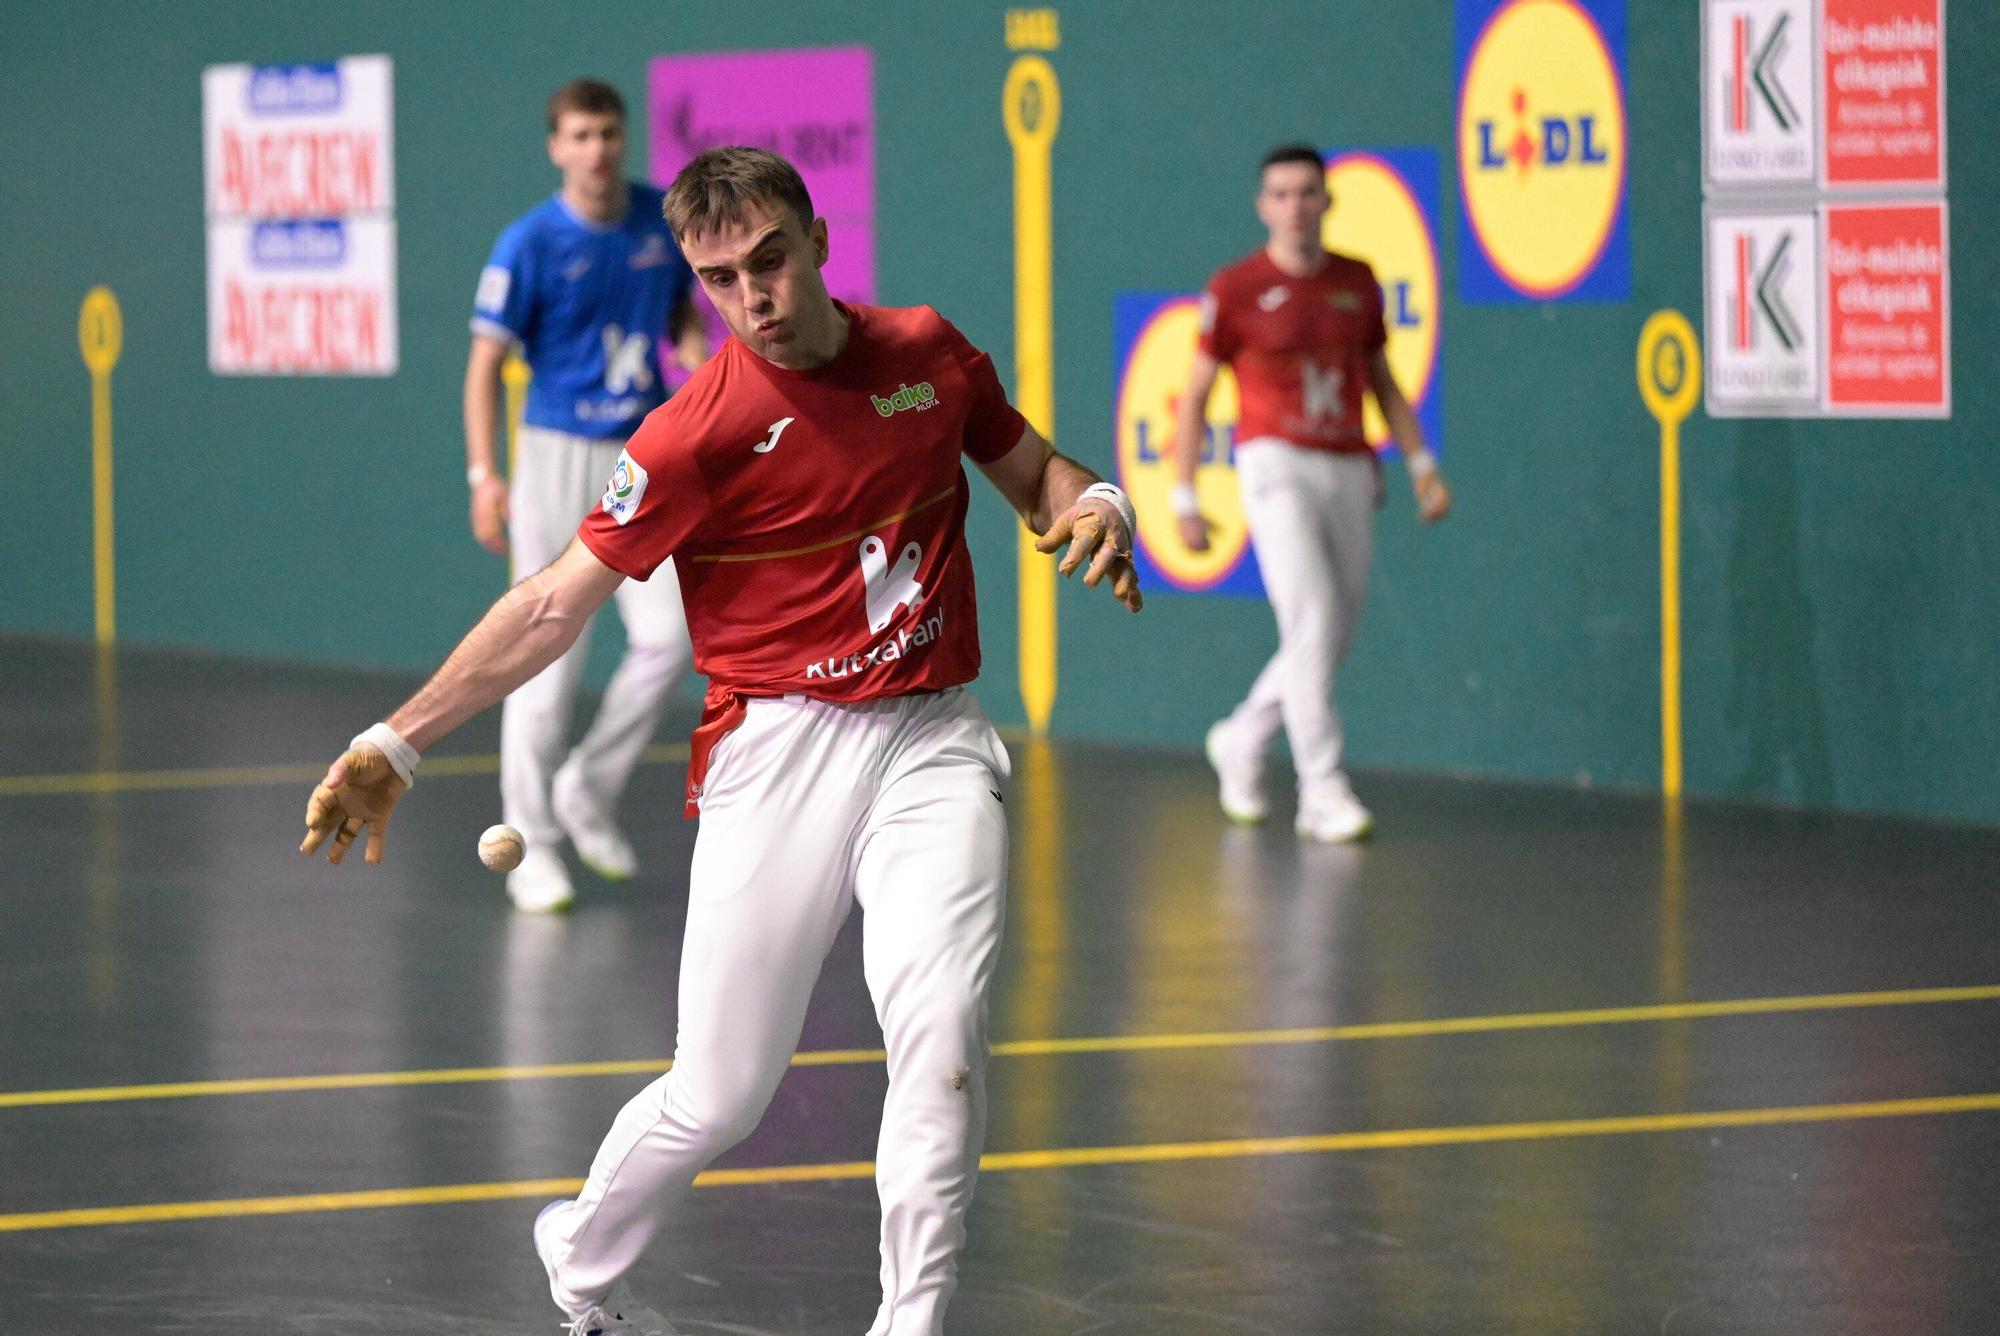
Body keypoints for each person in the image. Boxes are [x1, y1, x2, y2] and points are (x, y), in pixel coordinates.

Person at [301, 146, 1142, 1336]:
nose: (754, 298)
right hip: (775, 750)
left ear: (818, 241)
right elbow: (549, 606)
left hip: (930, 736)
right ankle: (578, 1255)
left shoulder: (926, 354)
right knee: (721, 1091)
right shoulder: (694, 433)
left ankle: (911, 1321)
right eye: (720, 278)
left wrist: (1098, 503)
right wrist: (396, 741)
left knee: (942, 1039)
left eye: (769, 260)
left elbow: (1033, 471)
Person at [466, 78, 709, 913]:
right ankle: (530, 842)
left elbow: (678, 311)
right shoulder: (528, 243)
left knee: (670, 639)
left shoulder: (657, 221)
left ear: (624, 137)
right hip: (555, 456)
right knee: (546, 654)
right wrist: (484, 475)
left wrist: (693, 353)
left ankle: (586, 789)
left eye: (608, 132)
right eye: (580, 135)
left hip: (642, 457)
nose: (597, 148)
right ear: (556, 147)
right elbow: (483, 368)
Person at [1173, 143, 1452, 843]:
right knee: (1313, 617)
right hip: (1273, 464)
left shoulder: (1358, 281)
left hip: (1349, 465)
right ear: (1262, 206)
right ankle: (1321, 790)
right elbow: (1196, 395)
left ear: (1327, 200)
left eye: (1306, 192)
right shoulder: (1236, 287)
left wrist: (1420, 464)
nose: (1294, 206)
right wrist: (1183, 495)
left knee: (1327, 636)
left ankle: (1241, 738)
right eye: (1281, 194)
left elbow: (1382, 381)